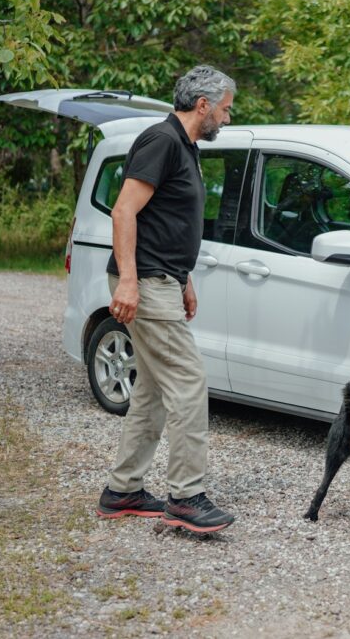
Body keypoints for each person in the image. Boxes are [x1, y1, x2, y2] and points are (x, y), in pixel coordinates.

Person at [95, 64, 236, 534]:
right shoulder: (161, 141)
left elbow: (168, 221)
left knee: (153, 392)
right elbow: (124, 211)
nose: (227, 118)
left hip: (165, 280)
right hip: (147, 284)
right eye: (226, 109)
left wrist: (184, 278)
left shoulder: (185, 147)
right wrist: (129, 281)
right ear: (203, 105)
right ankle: (186, 496)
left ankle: (123, 490)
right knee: (189, 382)